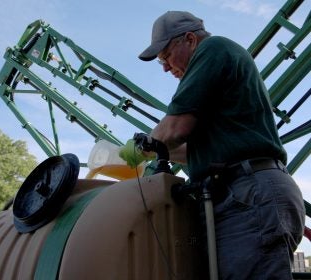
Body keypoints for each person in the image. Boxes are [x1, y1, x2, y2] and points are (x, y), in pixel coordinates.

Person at [119, 11, 305, 280]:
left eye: (166, 56)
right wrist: (157, 149)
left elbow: (175, 128)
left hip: (249, 194)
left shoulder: (213, 49)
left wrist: (138, 148)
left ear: (190, 39)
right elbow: (188, 149)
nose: (165, 68)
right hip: (245, 194)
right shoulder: (220, 75)